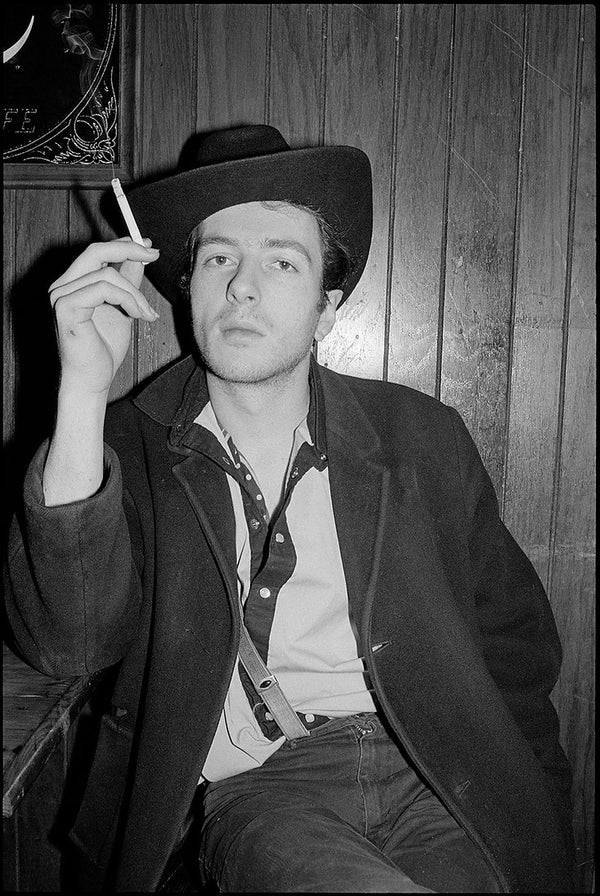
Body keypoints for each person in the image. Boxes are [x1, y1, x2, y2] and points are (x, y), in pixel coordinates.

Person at [5, 125, 574, 893]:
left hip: (440, 777)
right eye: (217, 258)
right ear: (186, 289)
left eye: (281, 260)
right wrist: (79, 391)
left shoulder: (420, 438)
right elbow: (66, 643)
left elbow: (517, 658)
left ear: (326, 306)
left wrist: (540, 818)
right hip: (264, 792)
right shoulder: (125, 451)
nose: (243, 286)